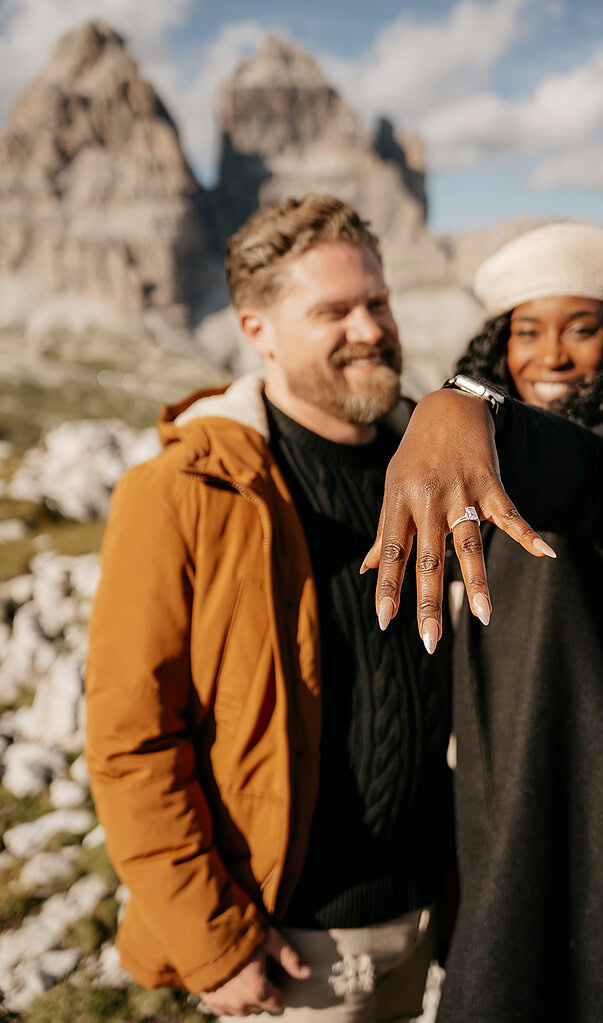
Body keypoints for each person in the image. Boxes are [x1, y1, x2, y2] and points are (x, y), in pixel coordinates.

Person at [85, 195, 453, 1021]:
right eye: (333, 311)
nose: (368, 328)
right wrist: (215, 942)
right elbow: (131, 737)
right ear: (258, 330)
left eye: (377, 301)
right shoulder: (181, 491)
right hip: (291, 953)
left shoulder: (436, 465)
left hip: (434, 921)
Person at [363, 222, 603, 1022]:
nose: (552, 355)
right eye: (526, 332)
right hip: (489, 802)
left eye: (581, 328)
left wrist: (468, 414)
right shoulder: (463, 481)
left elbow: (587, 474)